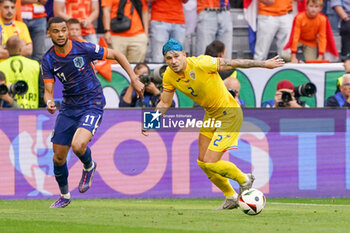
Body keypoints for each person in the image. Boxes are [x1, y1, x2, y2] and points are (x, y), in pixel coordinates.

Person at [143, 39, 284, 209]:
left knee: (210, 161)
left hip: (229, 113)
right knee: (202, 162)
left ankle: (245, 179)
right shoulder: (169, 76)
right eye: (168, 58)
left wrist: (264, 64)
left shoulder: (202, 63)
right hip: (211, 115)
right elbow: (165, 103)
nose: (173, 61)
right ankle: (231, 197)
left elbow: (233, 63)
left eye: (176, 56)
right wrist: (151, 121)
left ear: (184, 55)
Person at [42, 17, 144, 208]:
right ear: (49, 34)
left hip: (92, 103)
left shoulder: (83, 47)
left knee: (78, 146)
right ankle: (64, 195)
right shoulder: (48, 59)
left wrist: (134, 79)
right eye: (56, 31)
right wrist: (49, 102)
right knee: (58, 157)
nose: (61, 34)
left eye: (63, 30)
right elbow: (48, 90)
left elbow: (116, 54)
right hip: (69, 107)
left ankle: (89, 165)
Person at [0, 35, 43, 108]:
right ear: (20, 50)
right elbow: (41, 89)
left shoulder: (1, 66)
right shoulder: (35, 65)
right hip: (32, 110)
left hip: (7, 112)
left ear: (7, 50)